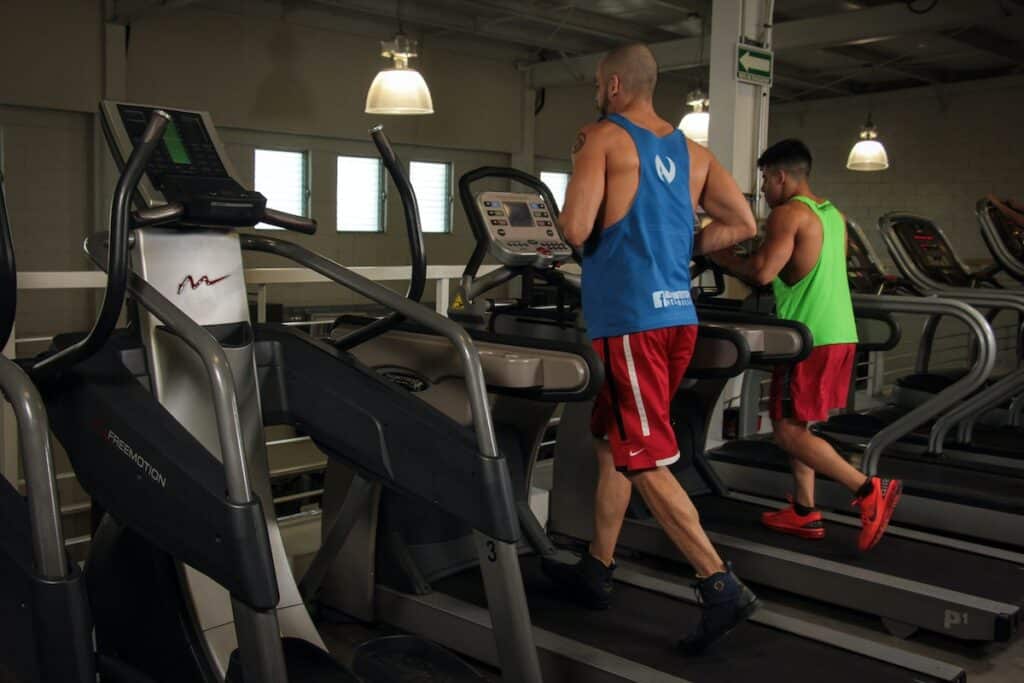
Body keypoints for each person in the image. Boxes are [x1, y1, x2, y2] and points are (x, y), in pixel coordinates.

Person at [543, 43, 759, 655]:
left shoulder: (602, 136)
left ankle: (718, 585)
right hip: (676, 318)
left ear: (613, 84)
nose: (594, 90)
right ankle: (597, 567)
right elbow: (741, 223)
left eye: (594, 81)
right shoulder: (695, 153)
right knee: (614, 441)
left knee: (642, 455)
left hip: (631, 321)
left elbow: (576, 229)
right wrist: (676, 249)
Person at [708, 139, 902, 552]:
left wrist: (722, 257)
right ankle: (803, 511)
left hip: (808, 338)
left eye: (764, 180)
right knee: (798, 425)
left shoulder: (787, 213)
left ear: (780, 176)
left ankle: (869, 489)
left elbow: (762, 272)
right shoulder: (833, 215)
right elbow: (802, 267)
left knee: (785, 431)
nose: (763, 190)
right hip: (840, 334)